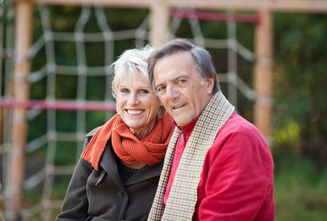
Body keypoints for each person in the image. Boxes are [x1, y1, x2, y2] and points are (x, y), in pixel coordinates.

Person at [147, 39, 275, 221]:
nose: (171, 95)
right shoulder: (181, 134)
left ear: (208, 83)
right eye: (162, 88)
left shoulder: (237, 138)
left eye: (181, 81)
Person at [56, 46, 174, 221]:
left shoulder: (177, 146)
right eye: (125, 91)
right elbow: (70, 216)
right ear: (116, 94)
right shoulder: (96, 141)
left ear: (160, 98)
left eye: (143, 91)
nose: (132, 101)